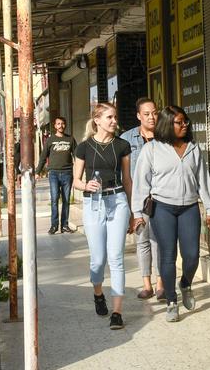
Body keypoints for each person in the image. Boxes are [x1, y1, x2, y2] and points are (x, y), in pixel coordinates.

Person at [133, 105, 210, 323]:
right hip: (162, 208)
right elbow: (141, 183)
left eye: (185, 122)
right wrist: (137, 212)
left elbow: (204, 181)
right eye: (180, 122)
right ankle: (171, 300)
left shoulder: (193, 149)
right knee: (167, 256)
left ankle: (185, 284)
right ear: (168, 124)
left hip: (189, 207)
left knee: (192, 255)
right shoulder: (151, 150)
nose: (185, 125)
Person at [72, 102, 133, 330]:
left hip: (117, 201)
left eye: (115, 117)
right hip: (93, 204)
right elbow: (76, 181)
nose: (114, 121)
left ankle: (117, 312)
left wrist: (133, 211)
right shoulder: (84, 148)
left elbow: (127, 180)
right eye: (110, 117)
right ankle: (98, 294)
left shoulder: (123, 146)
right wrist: (85, 185)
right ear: (97, 120)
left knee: (116, 257)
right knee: (98, 260)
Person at [120, 97, 164, 300]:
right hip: (139, 199)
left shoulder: (165, 136)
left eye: (154, 112)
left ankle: (161, 282)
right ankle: (147, 284)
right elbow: (125, 176)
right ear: (139, 116)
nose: (151, 117)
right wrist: (130, 207)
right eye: (146, 114)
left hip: (162, 197)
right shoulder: (127, 139)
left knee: (160, 241)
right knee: (143, 240)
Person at [37, 117, 77, 234]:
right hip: (53, 173)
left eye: (63, 123)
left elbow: (77, 155)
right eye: (58, 124)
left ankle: (64, 225)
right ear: (55, 126)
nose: (60, 126)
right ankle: (54, 226)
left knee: (66, 200)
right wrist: (38, 171)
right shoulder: (50, 140)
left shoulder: (70, 139)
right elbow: (43, 157)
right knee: (54, 200)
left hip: (67, 173)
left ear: (65, 125)